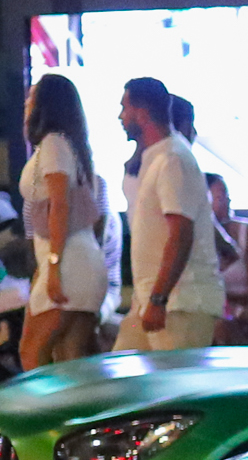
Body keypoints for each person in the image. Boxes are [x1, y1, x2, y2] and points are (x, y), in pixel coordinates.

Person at [114, 77, 224, 352]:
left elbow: (180, 234)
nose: (120, 117)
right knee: (124, 378)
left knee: (173, 390)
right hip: (154, 300)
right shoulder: (158, 158)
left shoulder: (173, 159)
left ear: (142, 113)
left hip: (180, 304)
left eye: (124, 108)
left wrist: (158, 300)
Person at [16, 74, 109, 372]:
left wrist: (54, 266)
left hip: (67, 263)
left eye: (32, 98)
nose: (26, 104)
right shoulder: (73, 147)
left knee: (32, 351)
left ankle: (39, 418)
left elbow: (60, 206)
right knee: (72, 359)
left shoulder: (54, 144)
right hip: (82, 261)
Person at [209, 174, 248, 345]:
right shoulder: (194, 239)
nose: (227, 202)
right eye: (219, 197)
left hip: (245, 314)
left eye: (227, 196)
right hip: (213, 314)